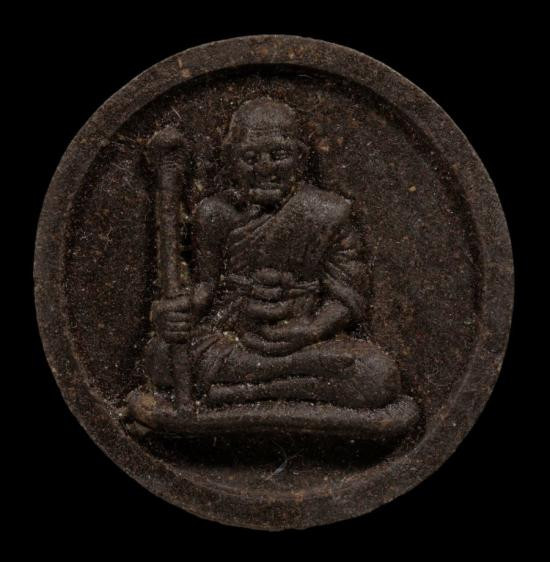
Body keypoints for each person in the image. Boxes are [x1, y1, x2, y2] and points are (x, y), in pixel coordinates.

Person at [149, 98, 401, 410]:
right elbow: (205, 290)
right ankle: (271, 388)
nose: (265, 168)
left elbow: (347, 296)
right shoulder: (214, 213)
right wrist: (173, 314)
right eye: (250, 157)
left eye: (278, 155)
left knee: (377, 373)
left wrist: (313, 329)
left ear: (300, 158)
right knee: (160, 356)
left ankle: (235, 394)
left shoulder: (328, 213)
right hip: (233, 334)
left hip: (303, 338)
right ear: (230, 160)